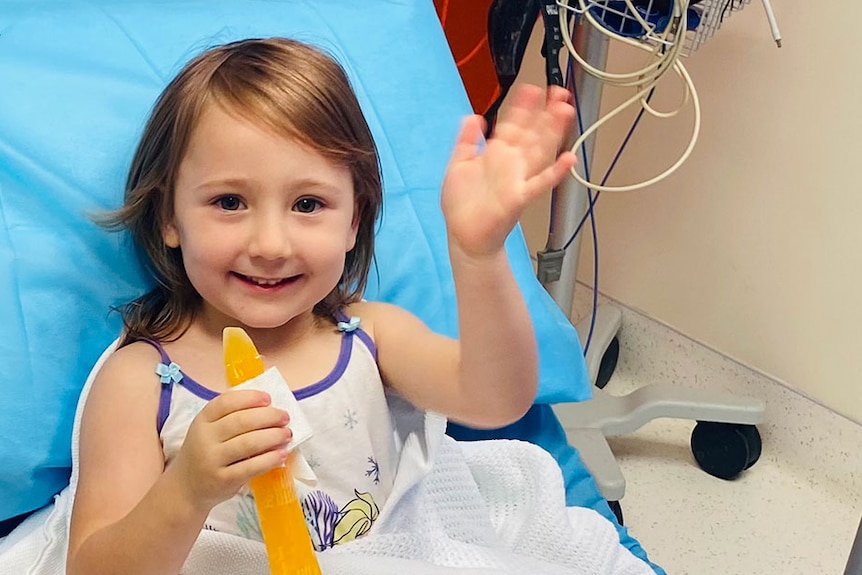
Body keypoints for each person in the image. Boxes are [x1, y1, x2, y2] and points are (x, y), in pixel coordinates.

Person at [66, 37, 576, 575]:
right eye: (229, 202)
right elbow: (92, 568)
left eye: (308, 204)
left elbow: (497, 400)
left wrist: (479, 255)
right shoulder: (142, 381)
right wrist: (186, 491)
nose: (270, 244)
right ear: (170, 217)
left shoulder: (368, 336)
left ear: (353, 221)